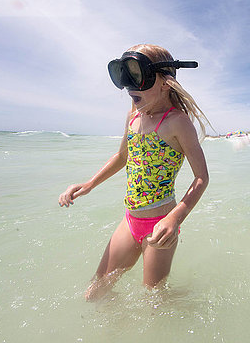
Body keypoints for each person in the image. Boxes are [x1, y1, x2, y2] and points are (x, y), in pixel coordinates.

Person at [58, 44, 210, 301]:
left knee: (154, 300)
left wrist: (175, 219)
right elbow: (123, 156)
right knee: (94, 293)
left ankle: (194, 302)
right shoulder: (133, 115)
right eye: (124, 77)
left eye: (137, 77)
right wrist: (89, 184)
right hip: (131, 220)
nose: (129, 87)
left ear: (164, 82)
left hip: (160, 224)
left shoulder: (177, 122)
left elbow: (201, 178)